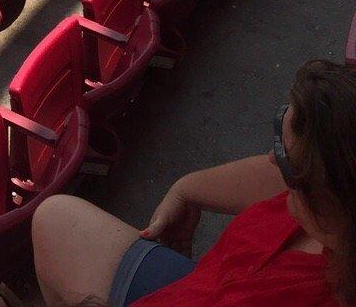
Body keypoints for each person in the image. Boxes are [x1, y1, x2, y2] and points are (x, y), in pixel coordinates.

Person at [30, 59, 356, 307]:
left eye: (286, 157)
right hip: (199, 283)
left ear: (331, 202)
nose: (272, 157)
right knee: (55, 217)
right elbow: (272, 176)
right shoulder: (318, 202)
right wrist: (187, 189)